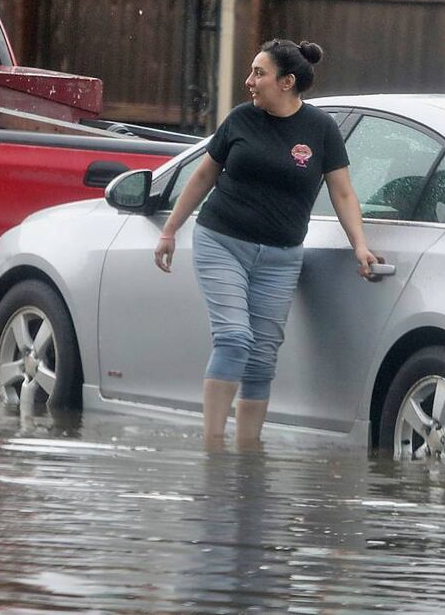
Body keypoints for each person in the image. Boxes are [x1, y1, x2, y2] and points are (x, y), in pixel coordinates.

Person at [153, 38, 378, 445]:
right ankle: (214, 445)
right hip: (222, 241)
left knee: (261, 357)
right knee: (235, 338)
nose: (249, 81)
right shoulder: (240, 120)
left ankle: (248, 451)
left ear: (287, 81)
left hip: (281, 256)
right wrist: (170, 230)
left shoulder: (321, 130)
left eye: (259, 73)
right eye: (252, 72)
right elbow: (204, 176)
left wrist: (359, 244)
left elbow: (343, 193)